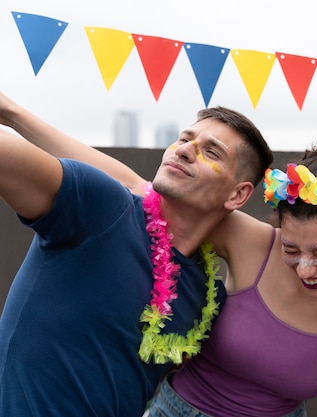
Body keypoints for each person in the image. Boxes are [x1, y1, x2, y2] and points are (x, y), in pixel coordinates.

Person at [4, 103, 317, 415]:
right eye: (291, 248)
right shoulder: (238, 237)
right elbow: (133, 185)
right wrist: (11, 111)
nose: (304, 267)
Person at [0, 92, 273, 416]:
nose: (185, 150)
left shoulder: (207, 296)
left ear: (238, 194)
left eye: (211, 151)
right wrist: (11, 111)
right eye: (184, 139)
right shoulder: (102, 207)